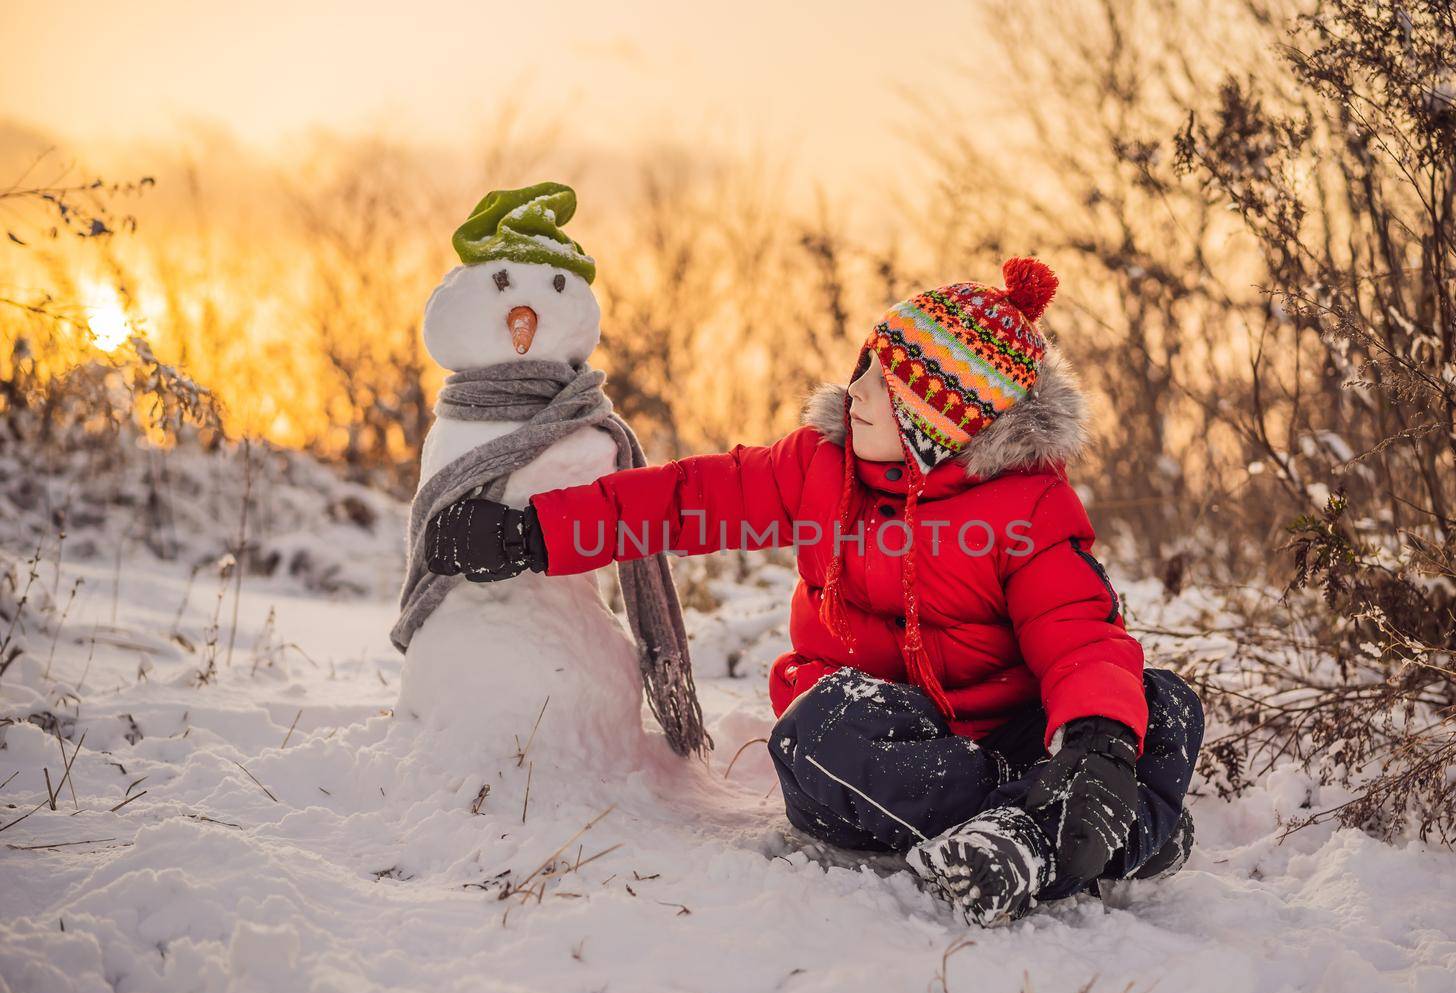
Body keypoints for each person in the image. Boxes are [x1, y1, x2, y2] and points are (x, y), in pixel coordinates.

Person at [424, 257, 1205, 926]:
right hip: (884, 739)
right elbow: (686, 497)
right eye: (863, 364)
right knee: (815, 735)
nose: (854, 388)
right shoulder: (818, 466)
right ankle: (1072, 827)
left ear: (941, 421)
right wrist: (534, 532)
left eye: (884, 383)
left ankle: (1063, 825)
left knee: (1155, 704)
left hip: (1006, 725)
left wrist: (1098, 741)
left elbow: (1079, 630)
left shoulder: (1024, 509)